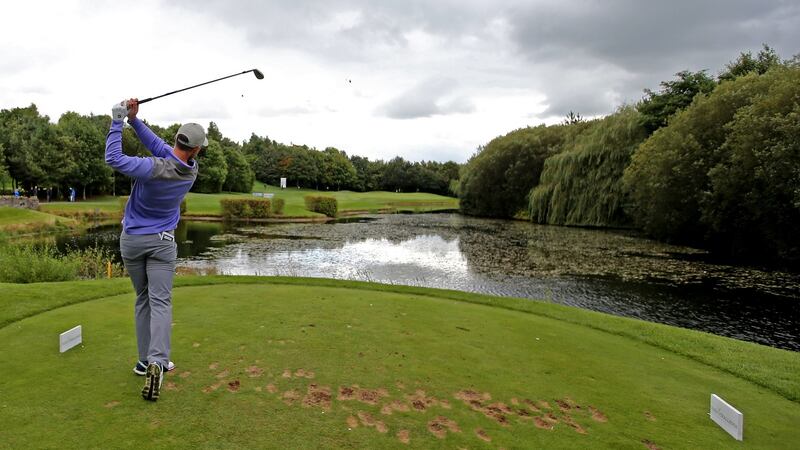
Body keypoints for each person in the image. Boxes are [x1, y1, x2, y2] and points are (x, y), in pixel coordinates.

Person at [106, 98, 204, 401]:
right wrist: (134, 121)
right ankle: (157, 363)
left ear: (177, 139)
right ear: (196, 150)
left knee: (142, 299)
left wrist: (117, 120)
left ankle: (142, 360)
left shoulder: (151, 168)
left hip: (133, 242)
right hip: (163, 243)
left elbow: (114, 158)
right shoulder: (190, 171)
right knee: (160, 302)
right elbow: (160, 146)